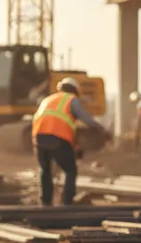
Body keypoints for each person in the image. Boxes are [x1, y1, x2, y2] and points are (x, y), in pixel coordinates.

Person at [32, 78, 110, 206]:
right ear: (75, 91)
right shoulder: (71, 100)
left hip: (39, 137)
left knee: (45, 170)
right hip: (57, 137)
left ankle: (45, 203)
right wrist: (102, 130)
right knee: (70, 170)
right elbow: (86, 118)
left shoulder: (47, 100)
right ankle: (67, 202)